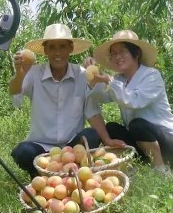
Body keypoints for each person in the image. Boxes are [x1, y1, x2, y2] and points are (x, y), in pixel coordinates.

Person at [8, 23, 125, 178]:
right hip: (41, 147)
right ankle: (45, 174)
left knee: (91, 134)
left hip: (72, 146)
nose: (58, 52)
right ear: (45, 50)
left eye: (62, 46)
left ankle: (65, 172)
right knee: (22, 152)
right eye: (52, 47)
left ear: (70, 48)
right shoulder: (35, 73)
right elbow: (16, 98)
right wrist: (20, 73)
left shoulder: (82, 75)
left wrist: (107, 139)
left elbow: (93, 110)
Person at [86, 30, 173, 175]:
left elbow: (134, 101)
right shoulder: (120, 79)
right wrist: (92, 78)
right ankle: (139, 164)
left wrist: (108, 80)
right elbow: (100, 96)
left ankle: (161, 170)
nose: (117, 57)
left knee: (138, 124)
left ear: (136, 54)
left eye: (122, 51)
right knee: (112, 128)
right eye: (114, 53)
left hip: (171, 146)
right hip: (141, 141)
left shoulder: (151, 76)